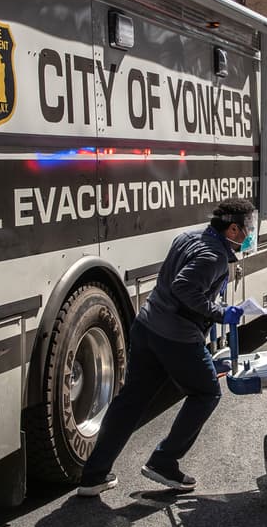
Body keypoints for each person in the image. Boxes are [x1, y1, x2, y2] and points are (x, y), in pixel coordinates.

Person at [76, 198, 256, 497]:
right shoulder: (214, 256)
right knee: (206, 393)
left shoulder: (188, 237)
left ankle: (93, 476)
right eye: (247, 226)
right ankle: (164, 461)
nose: (250, 232)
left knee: (131, 401)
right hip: (176, 335)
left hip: (147, 326)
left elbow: (174, 282)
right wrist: (220, 312)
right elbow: (183, 287)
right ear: (233, 228)